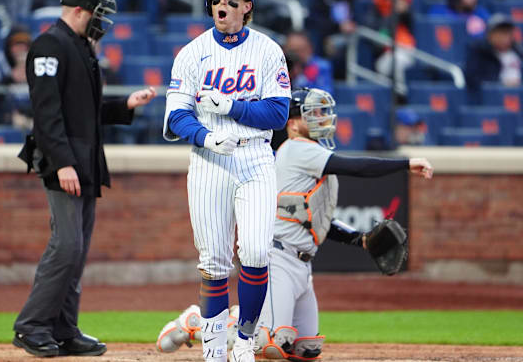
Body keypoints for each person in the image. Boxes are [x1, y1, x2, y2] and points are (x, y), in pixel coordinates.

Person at [157, 88, 434, 360]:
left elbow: (313, 218)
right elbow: (356, 167)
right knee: (268, 343)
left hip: (302, 264)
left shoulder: (310, 153)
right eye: (312, 113)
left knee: (306, 349)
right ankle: (197, 322)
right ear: (292, 123)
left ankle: (235, 318)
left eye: (323, 112)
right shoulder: (298, 149)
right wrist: (406, 163)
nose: (321, 118)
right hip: (277, 257)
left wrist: (359, 239)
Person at [12, 0, 157, 358]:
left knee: (77, 251)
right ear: (80, 10)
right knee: (66, 246)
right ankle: (31, 326)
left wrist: (125, 103)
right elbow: (47, 113)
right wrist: (62, 164)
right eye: (99, 14)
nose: (103, 23)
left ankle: (64, 329)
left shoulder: (80, 47)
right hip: (65, 163)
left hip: (86, 160)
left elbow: (86, 113)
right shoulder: (49, 45)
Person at [162, 0, 291, 362]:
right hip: (208, 160)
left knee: (254, 250)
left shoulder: (268, 51)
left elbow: (279, 113)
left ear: (247, 7)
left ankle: (246, 340)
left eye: (232, 0)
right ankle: (215, 349)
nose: (223, 5)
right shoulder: (191, 53)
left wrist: (232, 106)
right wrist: (206, 136)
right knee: (214, 259)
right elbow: (175, 115)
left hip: (254, 156)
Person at [307, 0, 366, 79]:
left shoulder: (361, 0)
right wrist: (338, 26)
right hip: (330, 38)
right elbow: (313, 20)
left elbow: (366, 22)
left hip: (355, 38)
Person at [0, 24, 32, 126]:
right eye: (16, 44)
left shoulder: (37, 64)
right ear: (8, 46)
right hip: (2, 119)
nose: (21, 48)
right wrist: (10, 78)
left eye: (24, 44)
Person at [370, 0, 416, 93]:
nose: (392, 0)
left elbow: (412, 25)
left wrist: (403, 11)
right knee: (393, 61)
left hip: (409, 52)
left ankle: (400, 95)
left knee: (399, 59)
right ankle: (400, 95)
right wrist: (393, 15)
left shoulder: (407, 14)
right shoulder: (375, 15)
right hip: (387, 54)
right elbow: (380, 40)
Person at [464, 14, 523, 94]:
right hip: (494, 98)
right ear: (490, 35)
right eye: (501, 32)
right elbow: (472, 79)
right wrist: (501, 84)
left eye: (507, 32)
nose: (505, 36)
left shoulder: (520, 52)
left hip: (521, 95)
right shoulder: (480, 53)